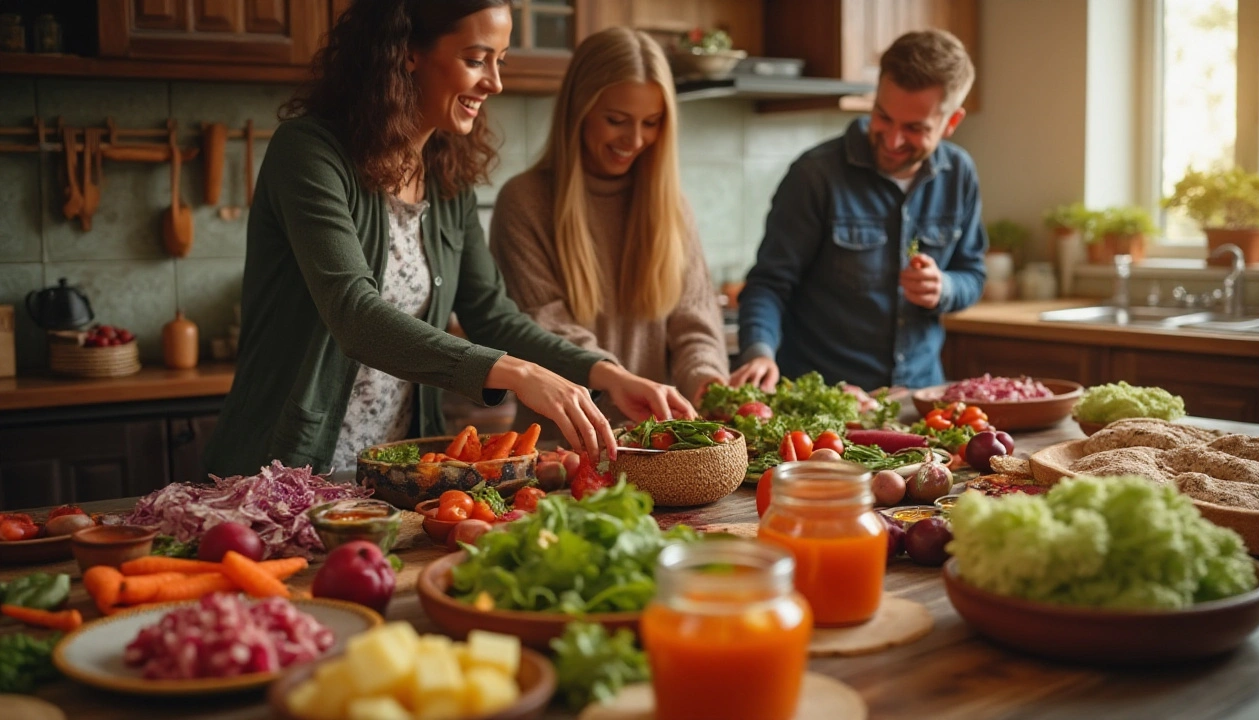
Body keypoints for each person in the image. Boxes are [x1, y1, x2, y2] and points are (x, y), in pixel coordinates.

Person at [204, 0, 692, 477]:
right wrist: (518, 373)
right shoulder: (309, 154)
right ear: (407, 51)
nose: (495, 82)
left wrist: (606, 374)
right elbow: (354, 315)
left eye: (500, 62)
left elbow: (490, 313)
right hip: (282, 471)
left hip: (391, 475)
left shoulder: (445, 174)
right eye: (476, 59)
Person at [488, 27, 728, 430]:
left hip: (655, 446)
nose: (635, 140)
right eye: (616, 120)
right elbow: (545, 326)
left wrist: (707, 382)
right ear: (579, 110)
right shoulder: (524, 201)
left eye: (651, 122)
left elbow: (695, 322)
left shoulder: (671, 206)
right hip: (559, 449)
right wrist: (620, 379)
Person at [730, 29, 986, 393]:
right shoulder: (815, 175)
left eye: (914, 128)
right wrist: (759, 351)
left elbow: (972, 274)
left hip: (920, 398)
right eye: (883, 116)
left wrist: (944, 287)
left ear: (951, 122)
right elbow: (769, 284)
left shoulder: (959, 173)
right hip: (824, 405)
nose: (893, 140)